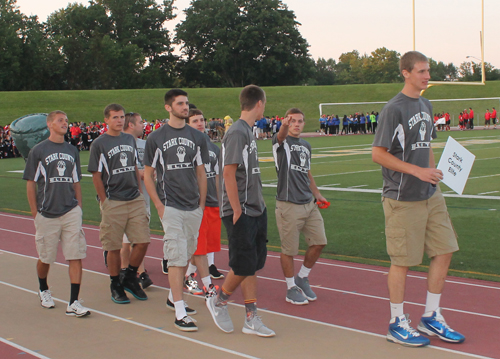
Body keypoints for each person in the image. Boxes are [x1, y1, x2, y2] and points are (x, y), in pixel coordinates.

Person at [372, 51, 465, 347]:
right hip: (403, 197)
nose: (427, 76)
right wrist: (416, 171)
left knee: (445, 250)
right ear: (406, 72)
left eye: (428, 71)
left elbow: (428, 146)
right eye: (422, 71)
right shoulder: (394, 109)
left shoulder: (426, 103)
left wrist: (434, 172)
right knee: (402, 260)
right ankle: (396, 321)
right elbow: (378, 154)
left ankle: (431, 316)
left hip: (430, 195)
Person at [206, 85, 275, 338]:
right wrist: (236, 208)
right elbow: (228, 172)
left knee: (253, 263)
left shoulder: (249, 131)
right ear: (259, 103)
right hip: (241, 209)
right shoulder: (236, 132)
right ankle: (219, 300)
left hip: (255, 206)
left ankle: (250, 317)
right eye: (265, 103)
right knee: (243, 263)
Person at [143, 89, 208, 332]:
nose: (185, 106)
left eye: (186, 103)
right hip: (171, 205)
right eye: (180, 103)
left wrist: (201, 204)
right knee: (176, 255)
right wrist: (159, 205)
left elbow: (201, 172)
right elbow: (148, 174)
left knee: (189, 251)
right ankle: (180, 311)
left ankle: (173, 297)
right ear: (168, 107)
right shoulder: (156, 138)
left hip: (193, 205)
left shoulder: (197, 136)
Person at [23, 110, 90, 317]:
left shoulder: (72, 150)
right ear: (49, 124)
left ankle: (74, 302)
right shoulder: (38, 150)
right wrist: (35, 213)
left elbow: (76, 181)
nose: (65, 123)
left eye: (67, 120)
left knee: (75, 255)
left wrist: (78, 207)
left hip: (70, 211)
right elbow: (31, 184)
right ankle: (43, 289)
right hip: (47, 213)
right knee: (46, 257)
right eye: (60, 120)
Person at [88, 104, 151, 304]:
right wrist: (105, 201)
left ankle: (129, 276)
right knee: (113, 246)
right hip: (113, 199)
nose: (119, 120)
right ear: (106, 120)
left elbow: (133, 164)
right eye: (115, 117)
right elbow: (96, 176)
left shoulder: (129, 139)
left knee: (142, 241)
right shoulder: (99, 143)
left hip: (134, 198)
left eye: (122, 117)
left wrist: (140, 192)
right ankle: (115, 283)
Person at [272, 108, 328, 305]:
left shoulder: (306, 145)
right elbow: (280, 135)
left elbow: (307, 172)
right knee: (289, 250)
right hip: (289, 204)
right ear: (287, 122)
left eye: (300, 121)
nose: (297, 124)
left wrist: (317, 194)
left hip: (309, 203)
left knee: (319, 242)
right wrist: (283, 126)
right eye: (293, 121)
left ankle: (302, 277)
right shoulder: (282, 142)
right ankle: (290, 287)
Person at [184, 108, 224, 294]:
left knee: (208, 245)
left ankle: (190, 275)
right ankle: (193, 279)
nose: (200, 123)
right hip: (194, 205)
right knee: (198, 246)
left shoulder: (214, 149)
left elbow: (216, 177)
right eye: (194, 121)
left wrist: (220, 199)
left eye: (201, 120)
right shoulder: (186, 148)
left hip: (212, 203)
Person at [121, 112, 153, 289]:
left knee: (140, 238)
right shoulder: (119, 143)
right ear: (131, 125)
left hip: (144, 198)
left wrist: (150, 173)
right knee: (126, 240)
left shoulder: (145, 144)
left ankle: (137, 271)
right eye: (141, 122)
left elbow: (150, 166)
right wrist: (136, 174)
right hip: (126, 198)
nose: (144, 125)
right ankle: (127, 271)